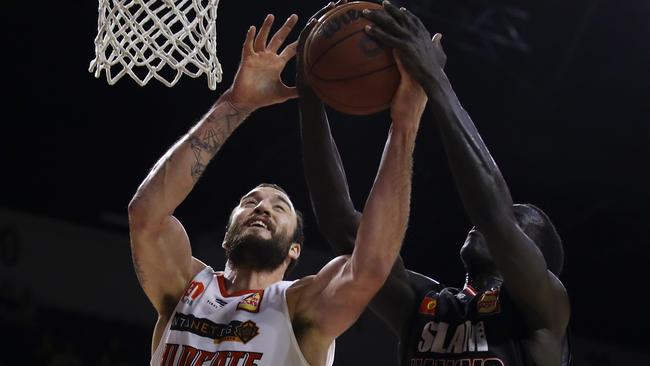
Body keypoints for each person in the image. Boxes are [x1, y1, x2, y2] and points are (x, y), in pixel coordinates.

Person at [127, 11, 427, 366]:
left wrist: (404, 126)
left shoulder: (300, 307)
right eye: (250, 202)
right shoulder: (185, 289)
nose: (262, 208)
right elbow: (146, 215)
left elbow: (372, 266)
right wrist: (235, 105)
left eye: (279, 207)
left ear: (295, 250)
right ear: (226, 236)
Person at [298, 2, 571, 366]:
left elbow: (492, 214)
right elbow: (341, 226)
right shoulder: (426, 304)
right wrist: (311, 93)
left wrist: (433, 79)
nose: (484, 224)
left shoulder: (543, 310)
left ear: (536, 258)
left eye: (518, 223)